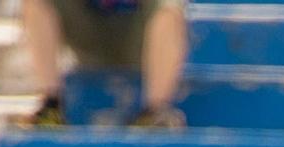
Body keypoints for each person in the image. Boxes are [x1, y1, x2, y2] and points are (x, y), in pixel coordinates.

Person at [15, 0, 187, 129]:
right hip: (89, 29)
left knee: (169, 9)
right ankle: (51, 106)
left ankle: (155, 112)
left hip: (140, 33)